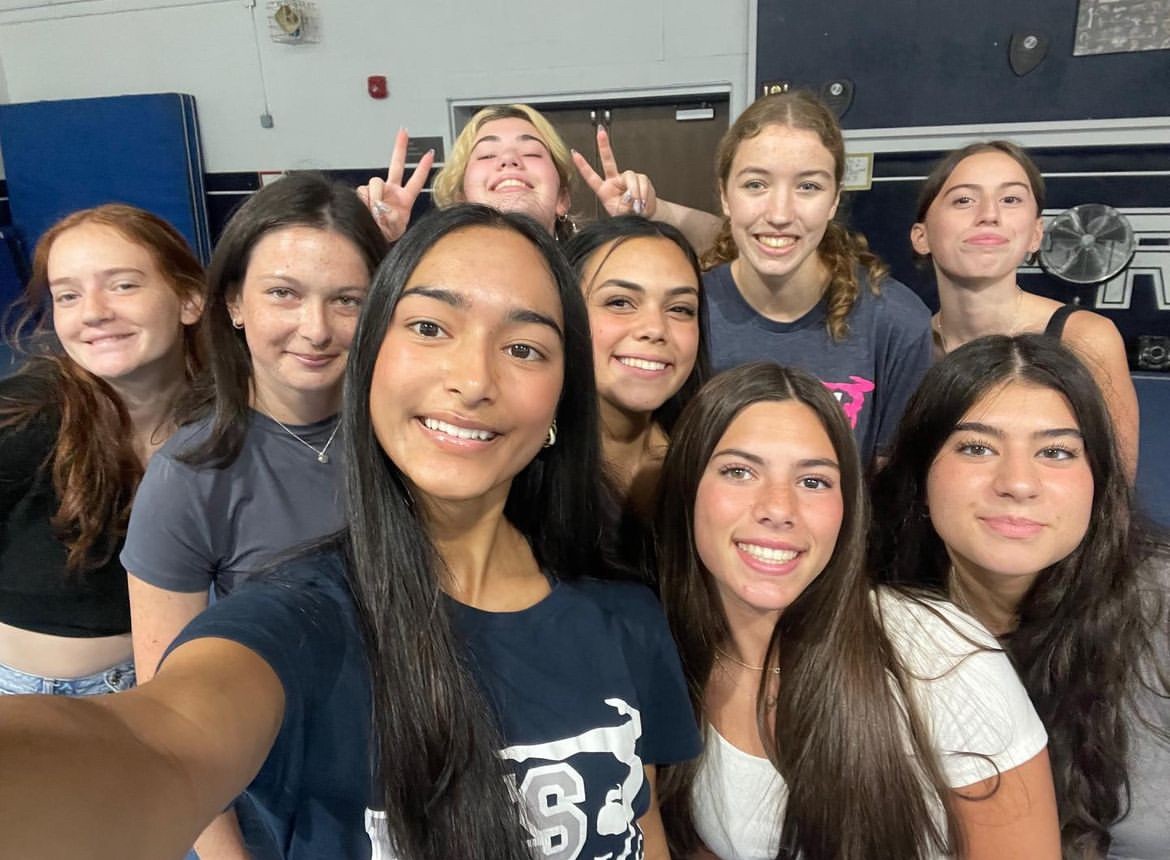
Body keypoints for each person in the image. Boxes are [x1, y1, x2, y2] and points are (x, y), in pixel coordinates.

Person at [0, 204, 700, 860]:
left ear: (559, 399)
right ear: (370, 363)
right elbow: (156, 746)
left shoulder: (623, 614)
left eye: (524, 348)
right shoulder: (298, 624)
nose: (473, 378)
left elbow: (640, 827)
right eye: (429, 328)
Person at [655, 361, 1062, 859]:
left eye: (814, 482)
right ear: (687, 489)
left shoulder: (941, 656)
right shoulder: (666, 653)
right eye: (739, 472)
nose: (778, 507)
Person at [122, 172, 387, 858]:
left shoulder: (416, 447)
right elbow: (171, 727)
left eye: (347, 300)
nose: (316, 328)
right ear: (235, 301)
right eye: (283, 294)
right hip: (293, 810)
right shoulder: (189, 477)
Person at [871, 334, 1170, 859]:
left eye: (1055, 451)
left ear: (1098, 480)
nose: (1018, 482)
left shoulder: (1159, 608)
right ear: (921, 471)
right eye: (977, 447)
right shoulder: (864, 618)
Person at [0, 204, 203, 699]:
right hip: (33, 697)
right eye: (67, 295)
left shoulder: (224, 410)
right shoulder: (27, 414)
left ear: (189, 299)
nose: (93, 312)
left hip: (169, 685)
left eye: (123, 285)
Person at [910, 141, 1140, 478]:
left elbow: (1114, 493)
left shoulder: (1086, 339)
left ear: (1035, 234)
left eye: (1010, 199)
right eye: (964, 200)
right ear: (921, 236)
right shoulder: (905, 346)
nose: (989, 214)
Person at [563, 215, 708, 523]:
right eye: (620, 302)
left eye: (680, 309)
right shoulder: (513, 469)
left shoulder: (709, 470)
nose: (655, 328)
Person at [359, 104, 574, 242]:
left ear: (562, 198)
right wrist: (377, 241)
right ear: (461, 198)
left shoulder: (594, 281)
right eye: (487, 155)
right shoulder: (427, 277)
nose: (509, 159)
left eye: (531, 153)